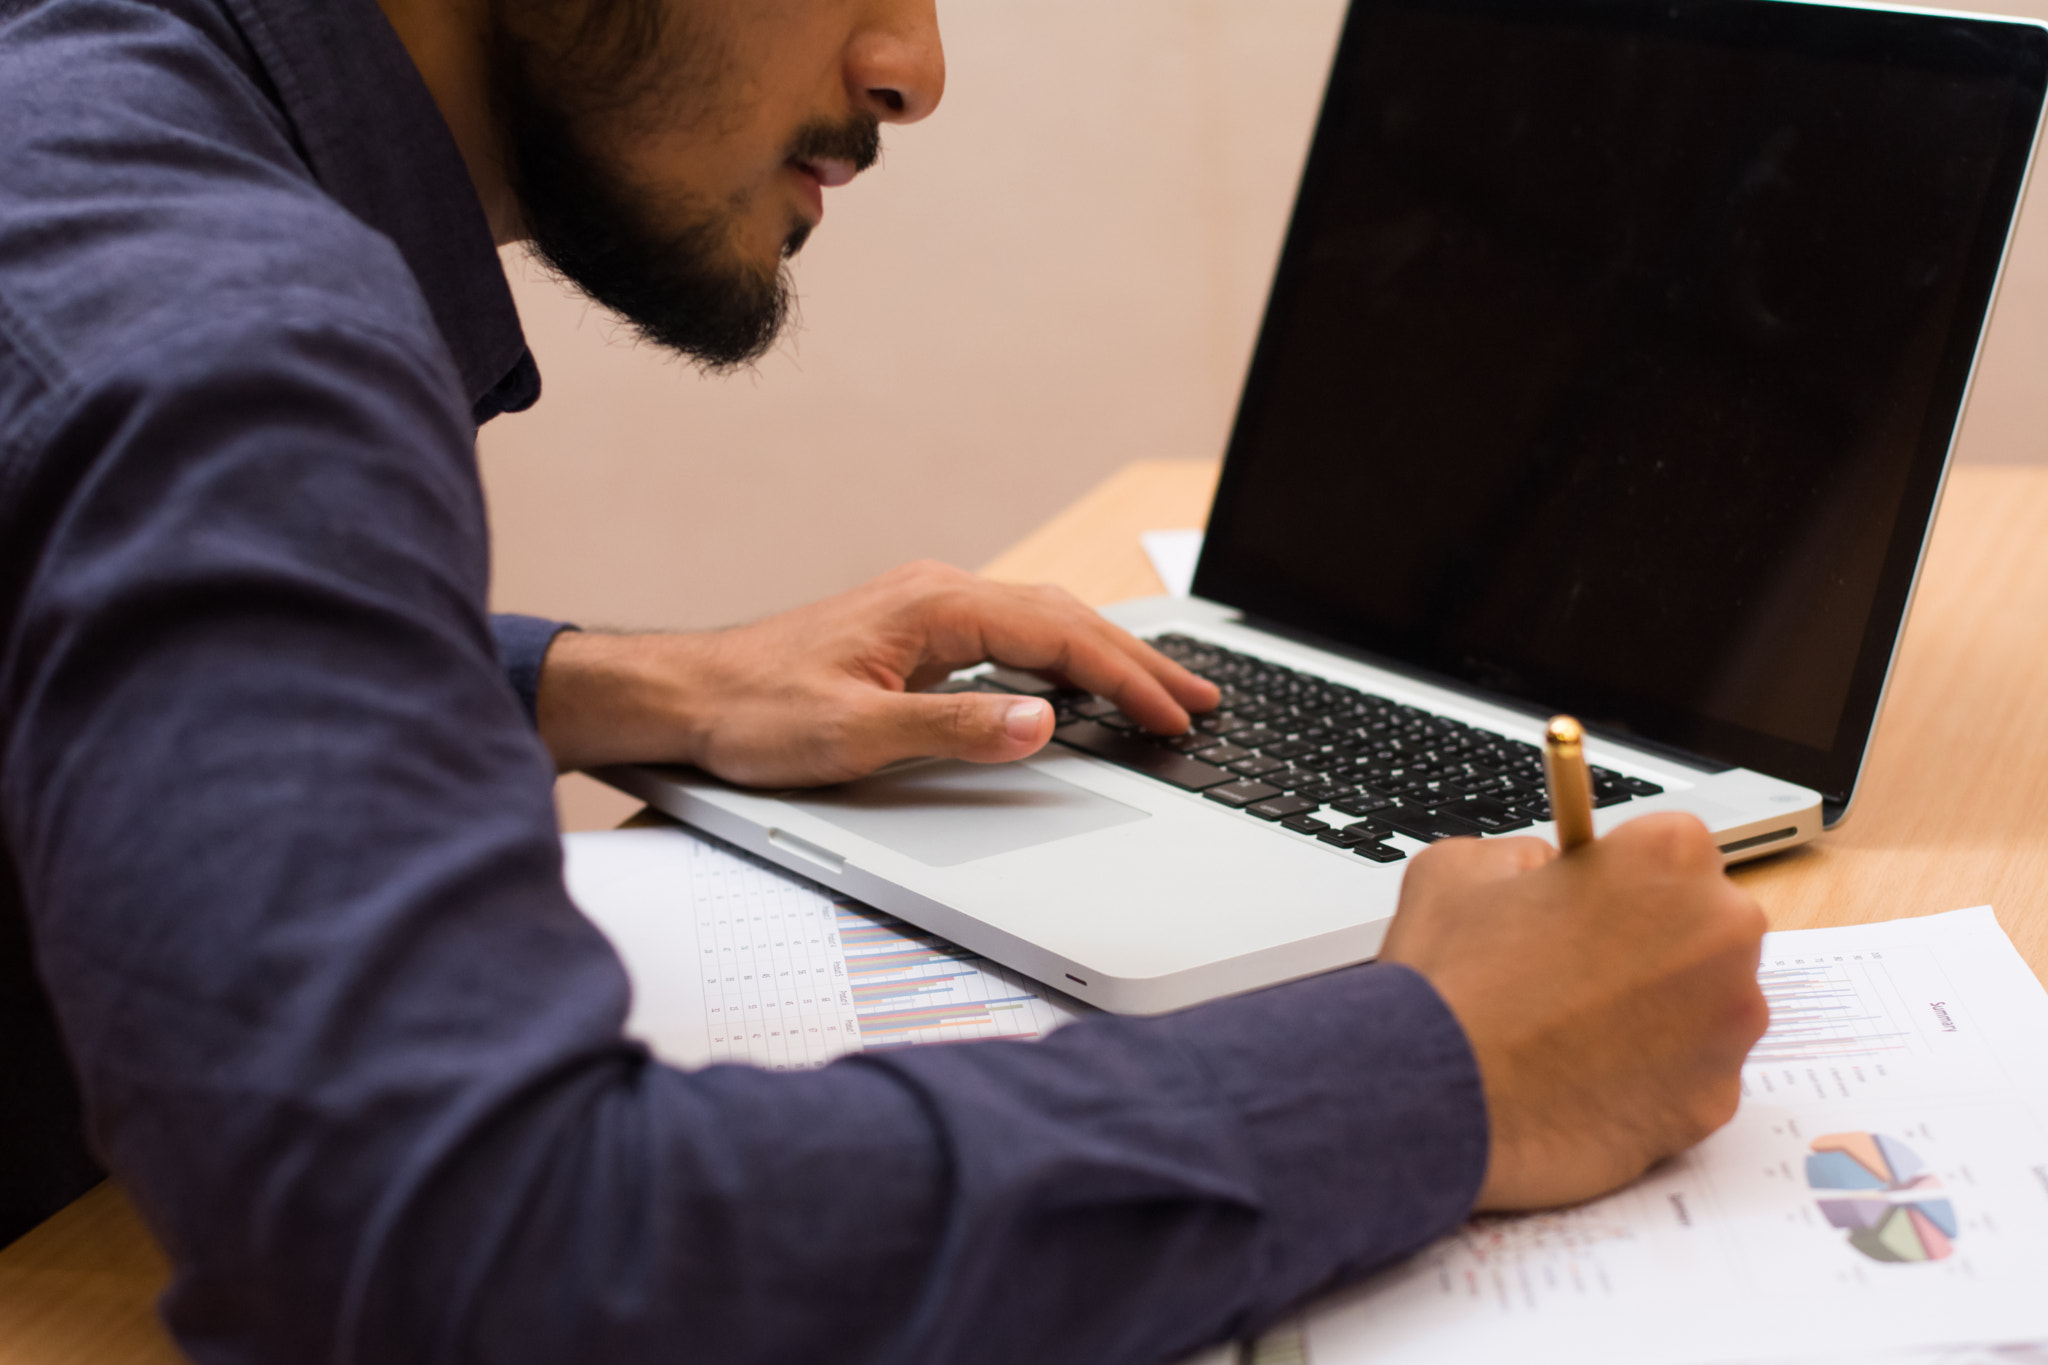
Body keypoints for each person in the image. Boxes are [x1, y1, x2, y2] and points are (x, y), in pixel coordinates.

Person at [0, 0, 1771, 1360]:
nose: (915, 64)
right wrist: (1457, 1064)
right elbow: (473, 1257)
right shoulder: (229, 331)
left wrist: (609, 685)